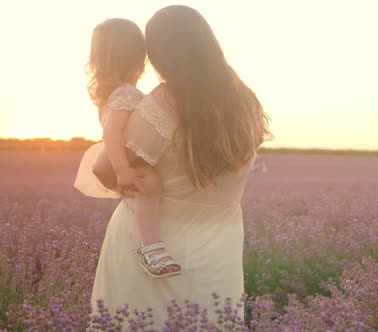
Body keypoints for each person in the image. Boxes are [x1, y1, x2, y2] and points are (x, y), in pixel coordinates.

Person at [90, 5, 271, 329]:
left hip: (150, 251)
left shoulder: (164, 102)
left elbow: (103, 169)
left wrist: (136, 181)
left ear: (161, 56)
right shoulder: (246, 102)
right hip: (219, 252)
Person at [74, 18, 181, 278]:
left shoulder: (116, 93)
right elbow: (111, 133)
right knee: (150, 183)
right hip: (126, 161)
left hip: (124, 157)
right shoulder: (126, 94)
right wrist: (122, 169)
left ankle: (151, 248)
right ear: (136, 58)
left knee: (148, 189)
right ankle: (152, 250)